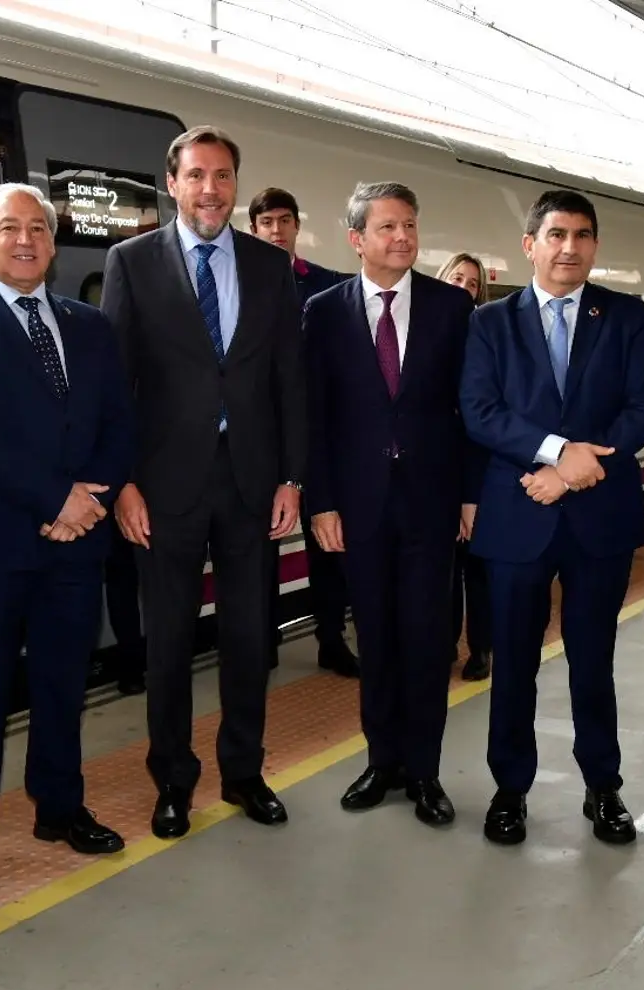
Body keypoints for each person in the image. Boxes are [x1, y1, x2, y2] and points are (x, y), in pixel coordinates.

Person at [0, 183, 135, 894]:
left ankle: (60, 808)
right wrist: (55, 499)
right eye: (8, 227)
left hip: (78, 540)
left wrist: (88, 499)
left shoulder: (89, 324)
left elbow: (117, 421)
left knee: (62, 687)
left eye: (37, 228)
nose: (24, 239)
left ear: (52, 241)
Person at [101, 126, 307, 838]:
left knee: (252, 638)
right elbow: (114, 387)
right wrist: (121, 483)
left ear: (235, 185)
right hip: (162, 489)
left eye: (223, 177)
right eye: (197, 176)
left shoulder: (269, 265)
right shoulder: (131, 262)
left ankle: (244, 773)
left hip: (251, 482)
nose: (211, 190)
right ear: (173, 182)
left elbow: (288, 379)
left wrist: (292, 477)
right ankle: (173, 781)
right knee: (168, 645)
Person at [459, 189, 644, 847]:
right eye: (555, 234)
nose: (568, 247)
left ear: (594, 245)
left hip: (598, 518)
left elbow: (641, 409)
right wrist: (555, 456)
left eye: (581, 235)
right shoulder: (489, 323)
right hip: (518, 514)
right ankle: (510, 789)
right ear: (530, 244)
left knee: (593, 659)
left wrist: (574, 471)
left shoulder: (626, 316)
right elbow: (480, 410)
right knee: (513, 660)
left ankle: (603, 786)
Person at [305, 182, 476, 827]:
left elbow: (471, 411)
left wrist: (469, 493)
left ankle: (427, 771)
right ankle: (382, 761)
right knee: (374, 637)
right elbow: (314, 417)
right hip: (359, 507)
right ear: (357, 239)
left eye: (409, 224)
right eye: (386, 227)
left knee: (430, 640)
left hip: (432, 504)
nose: (402, 237)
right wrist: (321, 501)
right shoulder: (323, 313)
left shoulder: (452, 308)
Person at [248, 186, 359, 679]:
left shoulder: (329, 287)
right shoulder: (236, 284)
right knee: (255, 546)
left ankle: (331, 639)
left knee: (326, 540)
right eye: (266, 222)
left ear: (297, 226)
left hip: (317, 435)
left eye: (284, 220)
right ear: (253, 229)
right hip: (256, 439)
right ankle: (262, 642)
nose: (276, 230)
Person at [437, 252, 493, 682]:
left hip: (475, 474)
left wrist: (469, 495)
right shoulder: (426, 333)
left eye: (472, 283)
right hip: (436, 478)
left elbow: (479, 422)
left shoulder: (483, 338)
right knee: (442, 571)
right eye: (456, 277)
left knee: (476, 569)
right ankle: (445, 644)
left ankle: (480, 648)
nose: (463, 286)